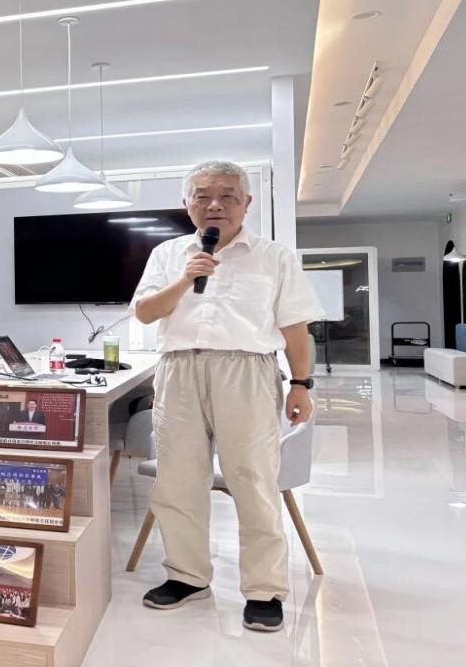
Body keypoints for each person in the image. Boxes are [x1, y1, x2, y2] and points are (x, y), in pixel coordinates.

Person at [130, 160, 323, 633]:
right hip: (178, 370)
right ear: (187, 203)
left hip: (247, 369)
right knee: (177, 480)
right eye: (202, 195)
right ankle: (187, 575)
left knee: (253, 479)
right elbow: (145, 313)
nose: (214, 204)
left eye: (227, 196)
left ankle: (263, 589)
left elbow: (295, 328)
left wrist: (301, 383)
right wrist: (185, 278)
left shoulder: (274, 256)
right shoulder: (168, 254)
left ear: (246, 203)